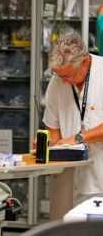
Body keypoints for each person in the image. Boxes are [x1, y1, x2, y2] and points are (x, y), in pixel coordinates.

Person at [41, 33, 103, 205]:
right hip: (80, 181)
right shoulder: (57, 81)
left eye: (68, 76)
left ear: (83, 62)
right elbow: (53, 130)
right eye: (60, 76)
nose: (65, 82)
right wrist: (46, 145)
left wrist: (78, 138)